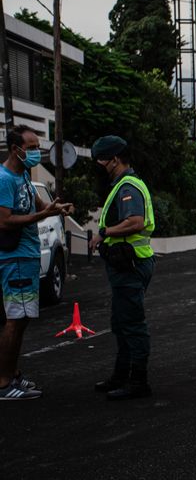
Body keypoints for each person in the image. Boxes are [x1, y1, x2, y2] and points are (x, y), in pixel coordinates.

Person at [0, 125, 72, 400]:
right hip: (14, 258)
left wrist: (56, 209)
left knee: (23, 319)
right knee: (14, 320)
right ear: (16, 150)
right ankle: (4, 383)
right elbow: (4, 220)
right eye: (31, 148)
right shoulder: (4, 179)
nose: (36, 153)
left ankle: (13, 374)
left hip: (28, 255)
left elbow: (39, 204)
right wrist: (41, 217)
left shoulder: (24, 178)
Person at [87, 135, 155, 401]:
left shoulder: (127, 186)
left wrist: (104, 232)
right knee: (121, 321)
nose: (101, 166)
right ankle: (121, 375)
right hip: (127, 263)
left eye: (103, 161)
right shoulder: (125, 184)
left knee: (132, 323)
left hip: (131, 264)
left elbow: (135, 221)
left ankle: (138, 381)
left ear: (115, 159)